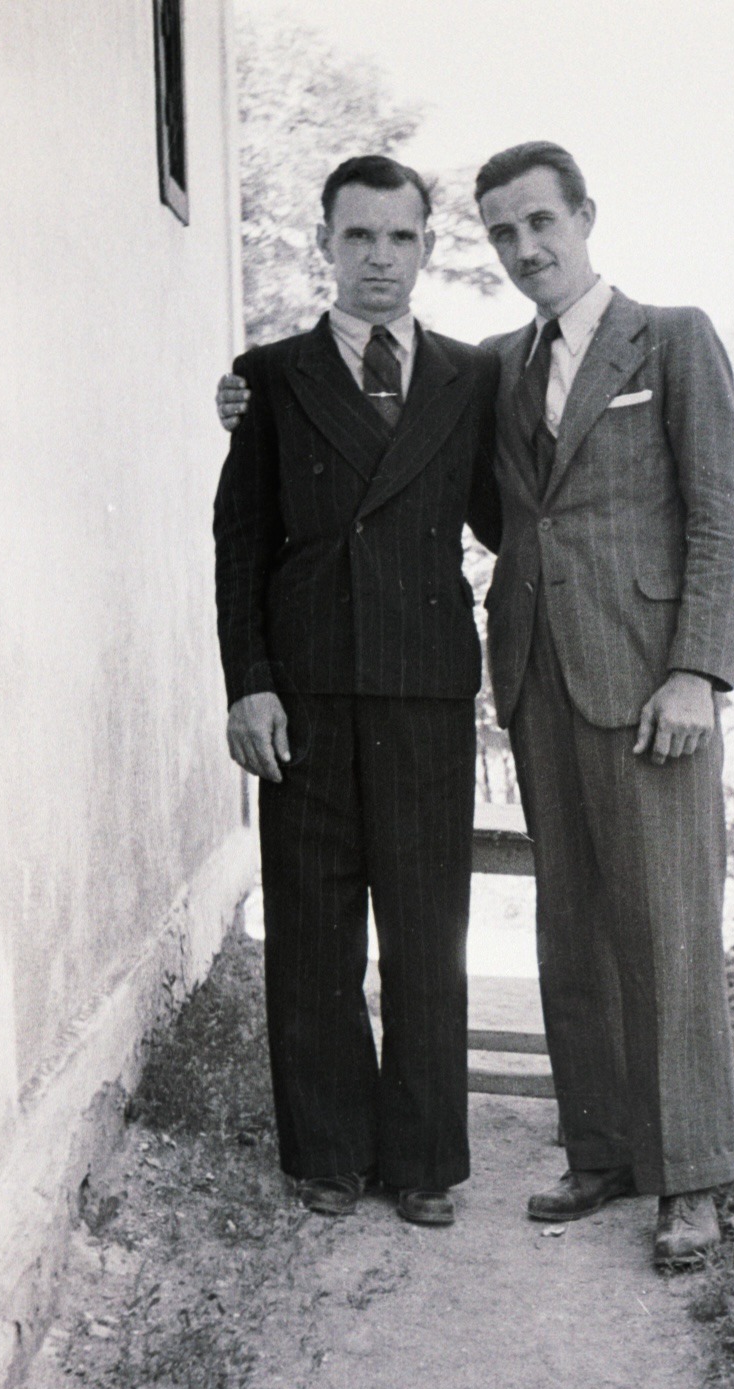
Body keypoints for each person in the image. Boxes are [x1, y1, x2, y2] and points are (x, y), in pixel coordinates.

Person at [473, 143, 734, 1265]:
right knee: (571, 923)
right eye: (501, 232)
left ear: (586, 216)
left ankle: (691, 1175)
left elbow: (724, 517)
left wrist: (697, 668)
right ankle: (599, 1150)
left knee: (670, 926)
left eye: (541, 220)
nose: (525, 247)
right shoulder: (501, 363)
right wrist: (249, 399)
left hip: (654, 684)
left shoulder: (673, 337)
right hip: (543, 671)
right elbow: (508, 514)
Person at [213, 154, 500, 1228]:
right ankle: (328, 1151)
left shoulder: (474, 378)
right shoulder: (273, 377)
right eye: (359, 237)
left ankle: (423, 1160)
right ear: (324, 245)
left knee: (429, 926)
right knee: (314, 925)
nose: (381, 259)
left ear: (428, 246)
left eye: (402, 237)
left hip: (426, 691)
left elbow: (507, 519)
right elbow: (239, 545)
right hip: (308, 697)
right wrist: (250, 686)